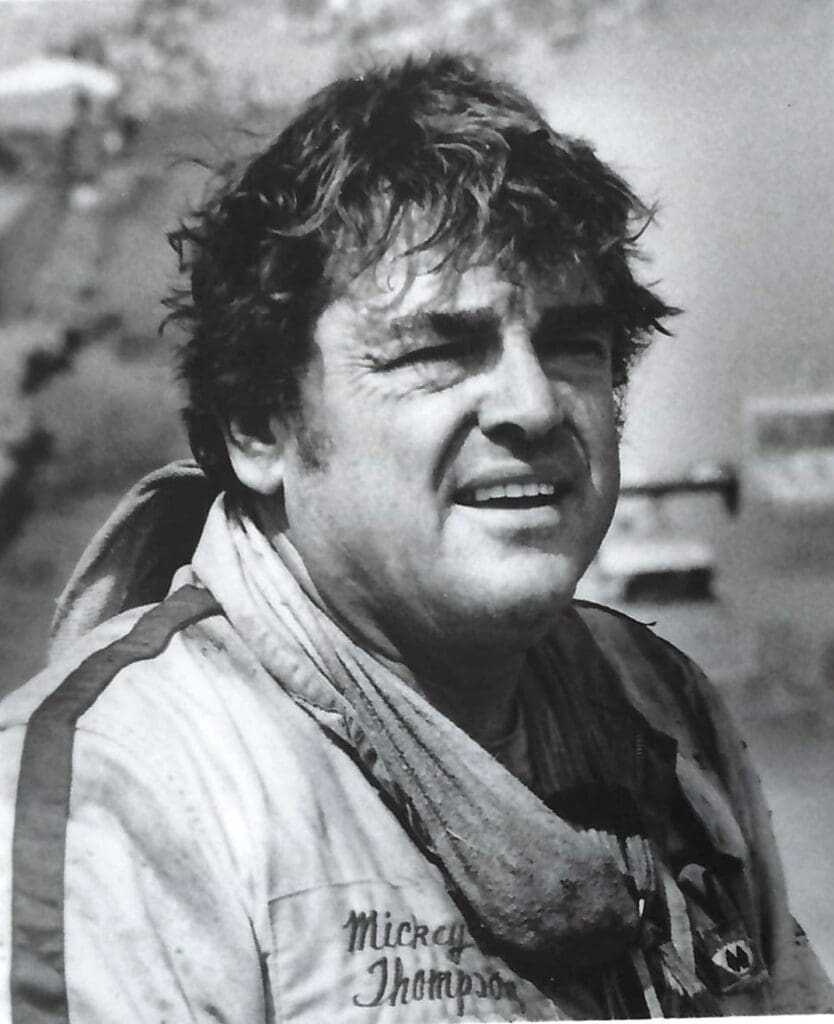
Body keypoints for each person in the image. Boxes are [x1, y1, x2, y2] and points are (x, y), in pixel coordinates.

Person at [0, 53, 831, 1022]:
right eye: (439, 349)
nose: (532, 404)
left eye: (573, 343)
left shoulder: (660, 708)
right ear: (259, 428)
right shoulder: (117, 800)